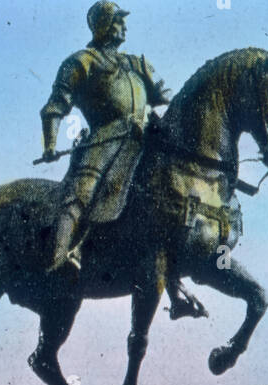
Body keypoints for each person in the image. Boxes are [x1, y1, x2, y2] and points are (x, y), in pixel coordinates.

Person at [39, 3, 205, 318]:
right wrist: (50, 144)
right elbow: (54, 107)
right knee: (80, 194)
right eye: (117, 22)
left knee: (170, 200)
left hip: (147, 141)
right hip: (105, 143)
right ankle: (61, 260)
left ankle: (175, 286)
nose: (123, 27)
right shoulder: (80, 62)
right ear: (102, 25)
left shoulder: (137, 64)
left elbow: (168, 100)